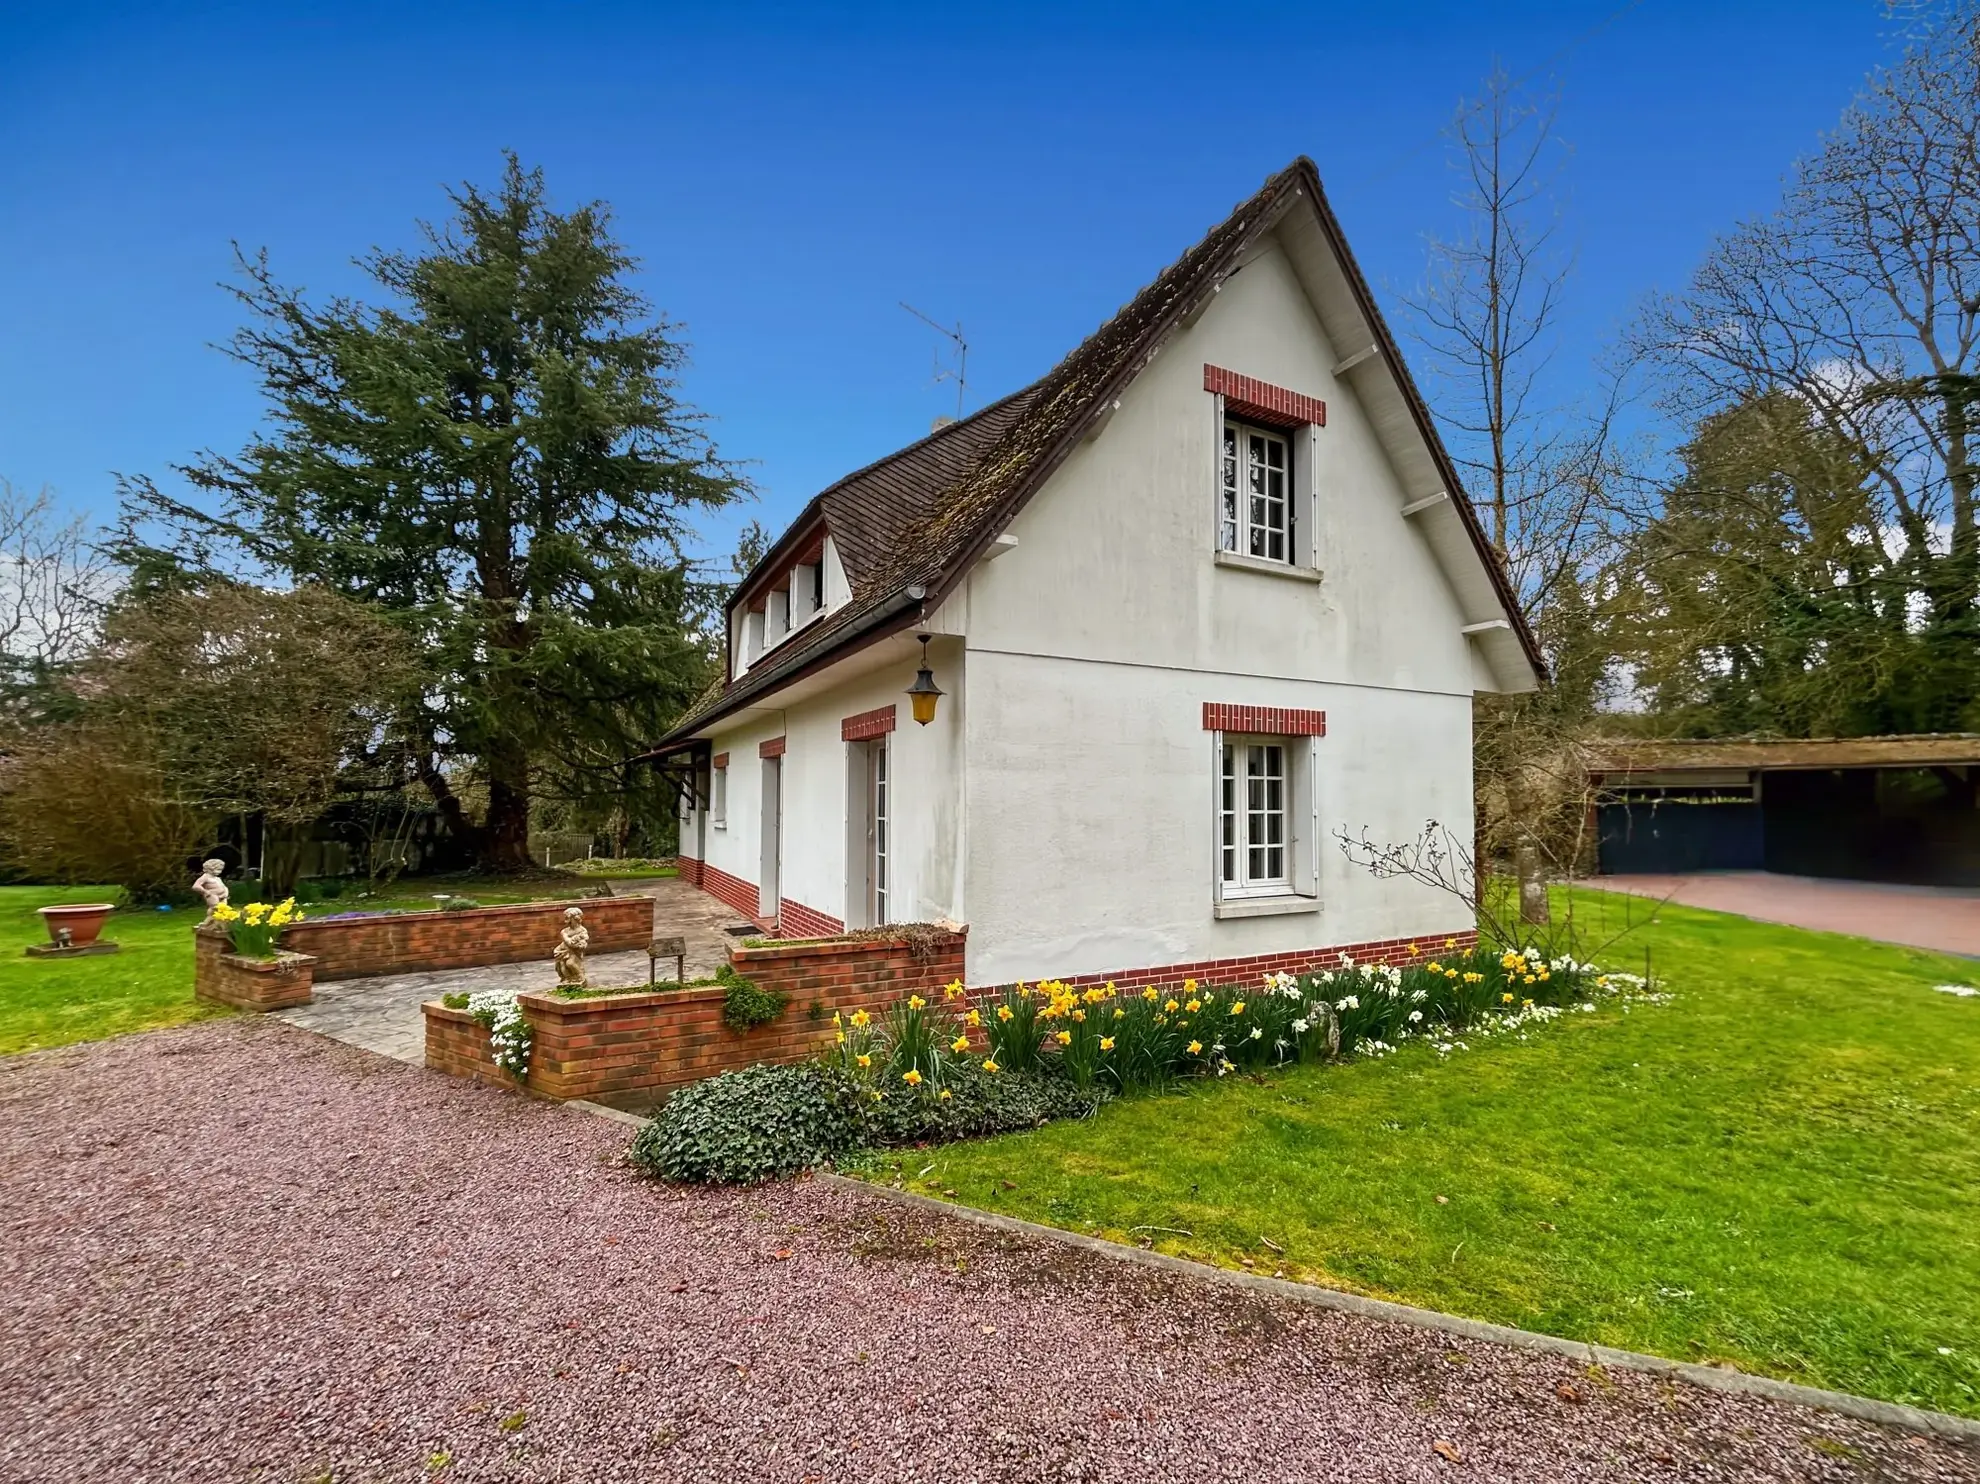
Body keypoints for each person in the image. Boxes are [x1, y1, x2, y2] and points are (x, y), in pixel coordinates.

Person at [553, 906, 590, 988]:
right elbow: (568, 942)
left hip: (574, 951)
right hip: (563, 950)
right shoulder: (564, 931)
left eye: (567, 917)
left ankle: (580, 977)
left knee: (570, 963)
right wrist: (575, 940)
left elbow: (584, 940)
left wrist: (582, 944)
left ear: (574, 918)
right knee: (563, 966)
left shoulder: (582, 930)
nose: (565, 919)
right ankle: (567, 979)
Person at [192, 859, 230, 924]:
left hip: (223, 895)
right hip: (212, 895)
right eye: (218, 869)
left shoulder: (217, 878)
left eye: (221, 870)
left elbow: (224, 886)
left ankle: (221, 921)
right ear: (210, 868)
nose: (220, 872)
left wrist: (226, 893)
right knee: (214, 908)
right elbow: (195, 886)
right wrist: (205, 891)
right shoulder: (205, 877)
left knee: (223, 908)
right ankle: (207, 922)